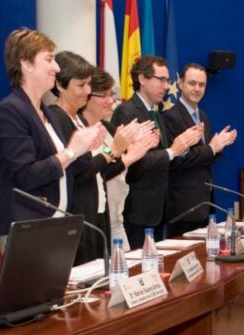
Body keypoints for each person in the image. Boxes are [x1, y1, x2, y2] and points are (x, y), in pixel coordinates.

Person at [0, 29, 105, 249]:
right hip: (27, 225)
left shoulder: (47, 112)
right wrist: (71, 151)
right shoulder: (11, 109)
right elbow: (26, 175)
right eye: (49, 59)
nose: (57, 68)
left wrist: (85, 147)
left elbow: (66, 167)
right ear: (26, 63)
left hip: (55, 222)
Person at [49, 51, 154, 262]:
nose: (87, 91)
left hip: (98, 212)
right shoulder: (57, 118)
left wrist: (128, 152)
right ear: (60, 85)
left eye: (89, 85)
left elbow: (96, 170)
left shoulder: (77, 120)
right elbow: (76, 172)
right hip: (77, 216)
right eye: (81, 85)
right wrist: (114, 151)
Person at [110, 55, 203, 247]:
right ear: (143, 79)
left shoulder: (155, 112)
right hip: (138, 209)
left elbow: (164, 153)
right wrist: (172, 151)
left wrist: (182, 145)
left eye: (167, 80)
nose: (167, 86)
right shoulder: (126, 111)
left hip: (158, 209)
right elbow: (136, 161)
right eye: (161, 80)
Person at [78, 67, 158, 252]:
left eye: (111, 94)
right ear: (87, 97)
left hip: (116, 216)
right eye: (104, 95)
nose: (111, 100)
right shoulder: (77, 131)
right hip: (95, 219)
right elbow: (99, 167)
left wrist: (138, 147)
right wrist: (127, 155)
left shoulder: (109, 127)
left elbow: (121, 165)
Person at [162, 63, 237, 237]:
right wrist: (211, 148)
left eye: (201, 85)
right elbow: (176, 160)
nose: (197, 89)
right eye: (192, 83)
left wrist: (218, 147)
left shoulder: (203, 116)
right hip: (183, 205)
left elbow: (203, 158)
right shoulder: (170, 117)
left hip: (204, 201)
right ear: (180, 83)